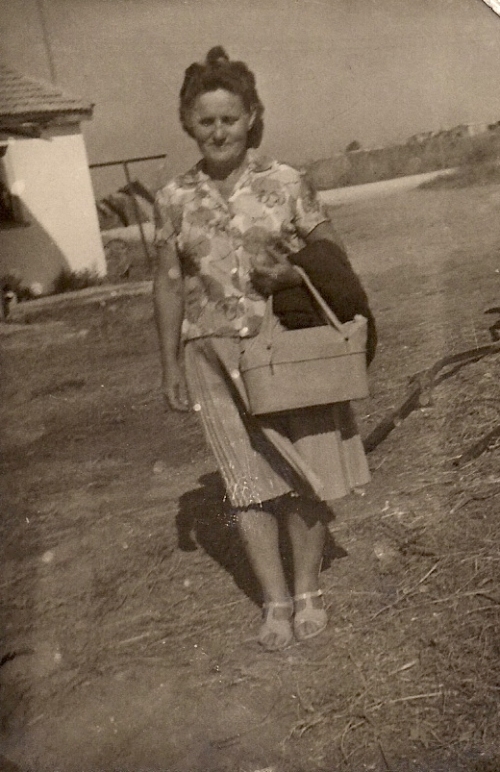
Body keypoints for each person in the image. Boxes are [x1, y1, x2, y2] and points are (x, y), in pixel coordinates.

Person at [153, 46, 371, 651]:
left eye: (230, 118)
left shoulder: (287, 182)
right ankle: (274, 602)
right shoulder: (173, 198)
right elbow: (167, 283)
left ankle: (307, 591)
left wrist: (295, 272)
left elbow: (331, 255)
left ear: (251, 117)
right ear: (188, 124)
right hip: (213, 357)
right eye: (206, 120)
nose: (219, 130)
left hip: (289, 350)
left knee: (306, 471)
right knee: (245, 482)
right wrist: (169, 362)